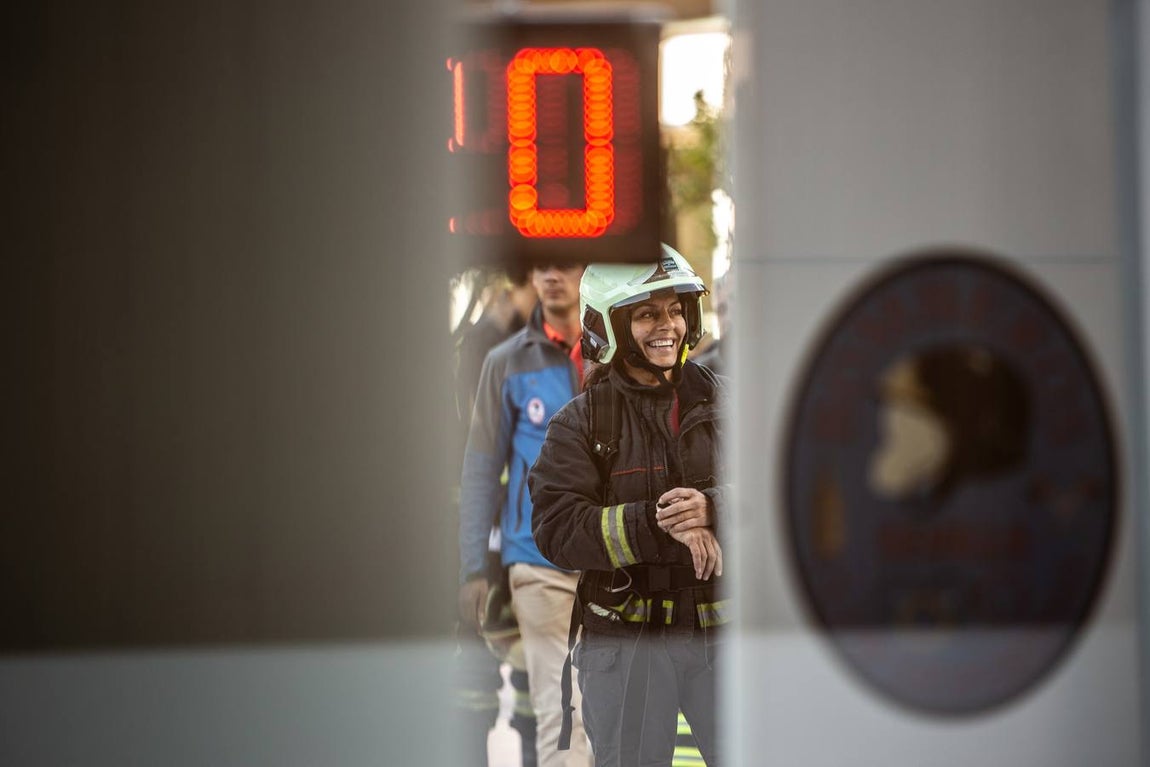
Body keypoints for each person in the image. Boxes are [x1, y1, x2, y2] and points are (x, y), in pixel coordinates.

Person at [528, 245, 729, 766]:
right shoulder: (580, 423)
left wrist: (715, 508)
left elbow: (784, 491)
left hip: (724, 640)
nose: (668, 326)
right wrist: (661, 525)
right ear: (610, 325)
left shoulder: (732, 404)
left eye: (675, 309)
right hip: (625, 643)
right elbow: (556, 528)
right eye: (647, 314)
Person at [459, 262, 592, 767]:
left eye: (566, 264)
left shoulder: (615, 354)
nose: (553, 275)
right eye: (542, 265)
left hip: (611, 563)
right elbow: (480, 468)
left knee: (607, 718)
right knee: (562, 719)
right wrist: (474, 566)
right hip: (536, 562)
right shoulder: (505, 362)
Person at [453, 266, 540, 767]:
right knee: (475, 679)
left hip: (519, 537)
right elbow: (482, 455)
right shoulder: (488, 348)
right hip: (492, 535)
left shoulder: (527, 346)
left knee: (534, 689)